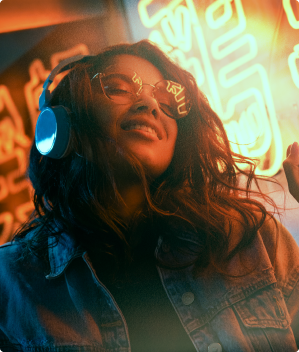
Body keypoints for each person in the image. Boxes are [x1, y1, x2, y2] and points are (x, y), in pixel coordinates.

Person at [0, 40, 299, 352]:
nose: (150, 105)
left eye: (167, 101)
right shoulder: (9, 283)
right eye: (118, 88)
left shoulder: (252, 240)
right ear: (63, 124)